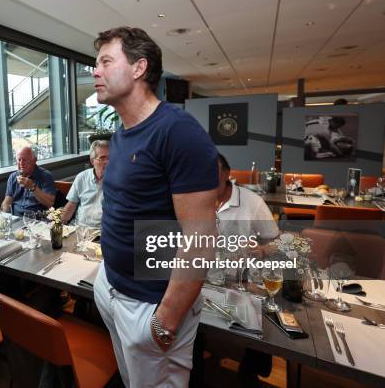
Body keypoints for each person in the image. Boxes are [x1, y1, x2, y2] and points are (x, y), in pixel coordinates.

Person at [92, 27, 219, 388]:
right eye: (95, 63)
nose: (95, 71)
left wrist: (167, 316)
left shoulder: (178, 132)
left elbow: (200, 238)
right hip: (112, 288)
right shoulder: (120, 133)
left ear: (138, 68)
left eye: (105, 61)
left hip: (150, 304)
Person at [215, 153, 279, 388]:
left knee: (256, 314)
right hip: (205, 276)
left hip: (241, 277)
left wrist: (261, 251)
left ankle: (250, 369)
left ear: (226, 174)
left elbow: (277, 242)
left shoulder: (251, 202)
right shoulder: (195, 199)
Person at [61, 140, 109, 226]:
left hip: (102, 232)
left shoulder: (118, 181)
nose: (107, 162)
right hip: (79, 228)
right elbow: (71, 204)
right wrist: (58, 224)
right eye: (102, 158)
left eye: (110, 158)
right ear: (92, 161)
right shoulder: (82, 177)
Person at [1, 146, 56, 216]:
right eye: (19, 160)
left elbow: (49, 203)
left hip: (36, 219)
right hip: (16, 218)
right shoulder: (13, 177)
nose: (21, 163)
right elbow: (7, 202)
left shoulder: (46, 176)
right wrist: (3, 217)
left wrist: (32, 187)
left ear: (34, 160)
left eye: (25, 160)